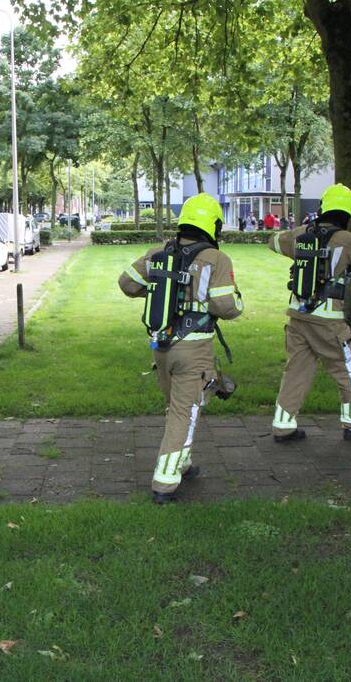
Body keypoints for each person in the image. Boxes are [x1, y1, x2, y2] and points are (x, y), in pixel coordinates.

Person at [119, 193, 244, 504]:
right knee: (183, 412)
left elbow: (127, 283)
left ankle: (182, 462)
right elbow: (227, 306)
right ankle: (165, 482)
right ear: (212, 225)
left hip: (161, 347)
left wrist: (159, 291)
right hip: (194, 349)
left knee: (178, 406)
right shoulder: (216, 259)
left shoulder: (158, 252)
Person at [267, 183, 351, 443]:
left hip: (297, 315)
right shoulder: (347, 240)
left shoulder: (300, 234)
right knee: (348, 368)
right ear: (347, 212)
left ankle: (283, 425)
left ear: (322, 208)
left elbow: (272, 242)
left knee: (296, 370)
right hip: (328, 320)